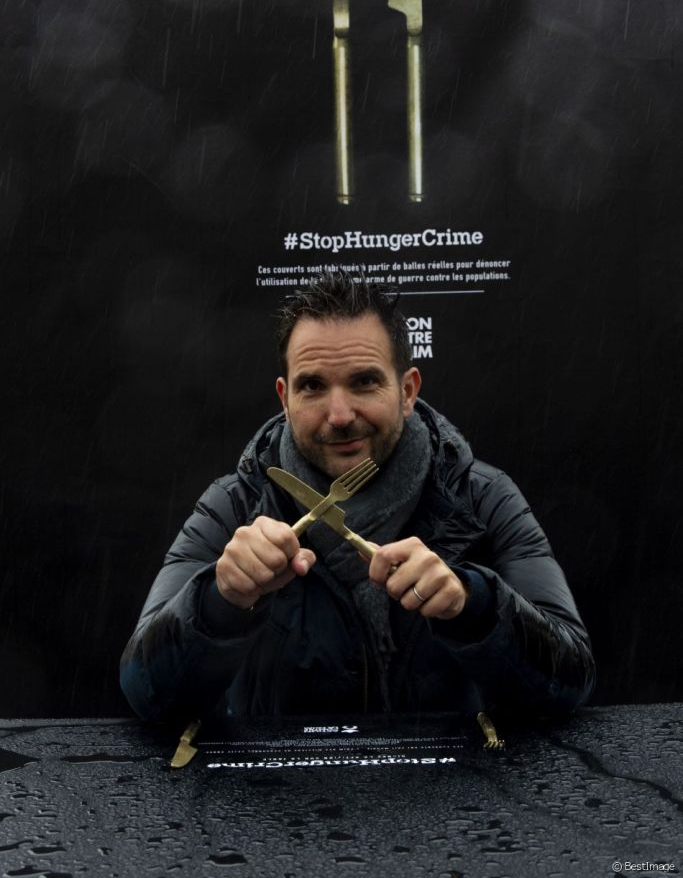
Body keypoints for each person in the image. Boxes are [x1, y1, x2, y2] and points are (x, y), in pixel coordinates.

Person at [120, 272, 595, 724]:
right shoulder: (233, 505)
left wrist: (472, 605)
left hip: (452, 779)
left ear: (407, 391)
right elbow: (146, 692)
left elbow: (569, 680)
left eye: (364, 381)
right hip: (282, 779)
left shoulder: (483, 497)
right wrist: (220, 600)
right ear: (285, 399)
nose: (340, 414)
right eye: (313, 386)